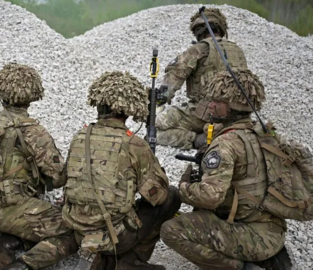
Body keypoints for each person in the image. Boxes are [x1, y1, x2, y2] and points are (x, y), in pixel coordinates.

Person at [160, 69, 293, 270]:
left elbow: (210, 197)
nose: (211, 105)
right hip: (273, 231)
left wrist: (184, 187)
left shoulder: (226, 144)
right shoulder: (264, 133)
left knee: (171, 230)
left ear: (232, 107)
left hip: (250, 235)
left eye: (217, 101)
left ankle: (241, 267)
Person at [0, 63, 77, 270]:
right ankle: (21, 265)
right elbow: (59, 178)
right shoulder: (32, 131)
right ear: (33, 94)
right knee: (75, 230)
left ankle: (4, 243)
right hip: (14, 207)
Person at [62, 71, 181, 270]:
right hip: (114, 236)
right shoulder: (134, 144)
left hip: (77, 230)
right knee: (172, 196)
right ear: (128, 110)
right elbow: (157, 197)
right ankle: (130, 261)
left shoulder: (80, 136)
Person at [155, 7, 247, 150]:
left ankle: (198, 140)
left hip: (208, 112)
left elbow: (175, 74)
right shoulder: (238, 51)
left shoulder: (200, 48)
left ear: (198, 31)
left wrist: (160, 99)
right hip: (237, 113)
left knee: (156, 126)